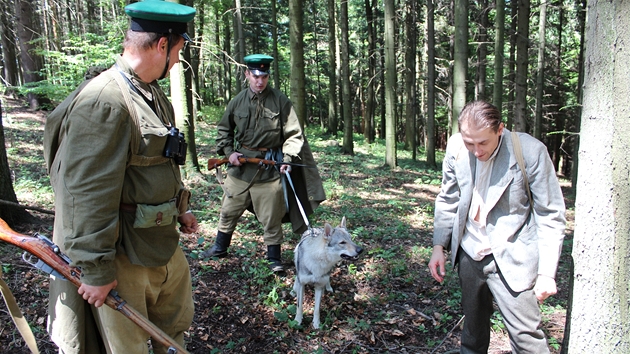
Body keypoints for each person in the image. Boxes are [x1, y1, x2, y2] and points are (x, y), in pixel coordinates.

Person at [43, 1, 198, 353]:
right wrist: (96, 271)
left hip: (159, 241)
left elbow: (157, 162)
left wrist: (180, 208)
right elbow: (85, 193)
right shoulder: (105, 100)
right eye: (177, 52)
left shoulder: (150, 92)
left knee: (173, 331)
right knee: (128, 347)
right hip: (123, 256)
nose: (176, 61)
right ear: (162, 45)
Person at [428, 100, 566, 353]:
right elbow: (448, 198)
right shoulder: (457, 147)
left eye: (483, 143)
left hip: (514, 255)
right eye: (470, 143)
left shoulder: (529, 151)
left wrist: (547, 273)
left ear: (500, 129)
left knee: (526, 337)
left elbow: (550, 214)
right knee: (472, 331)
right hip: (469, 253)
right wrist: (439, 246)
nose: (476, 151)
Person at [201, 54, 325, 273]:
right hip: (240, 170)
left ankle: (273, 260)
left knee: (271, 217)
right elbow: (224, 130)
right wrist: (229, 153)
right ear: (247, 74)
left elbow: (294, 134)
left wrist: (287, 159)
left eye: (264, 76)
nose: (260, 81)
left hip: (269, 170)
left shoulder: (280, 100)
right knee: (228, 210)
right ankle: (220, 249)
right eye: (256, 76)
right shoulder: (237, 101)